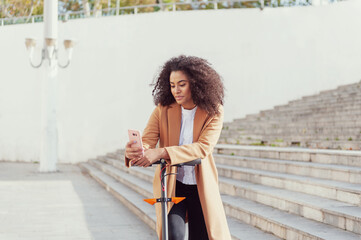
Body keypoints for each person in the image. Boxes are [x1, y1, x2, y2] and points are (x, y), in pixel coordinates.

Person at [124, 55, 231, 240]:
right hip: (173, 185)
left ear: (196, 83)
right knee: (172, 235)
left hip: (201, 186)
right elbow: (148, 139)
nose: (176, 90)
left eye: (182, 84)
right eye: (172, 85)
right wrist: (137, 149)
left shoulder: (214, 110)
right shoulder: (162, 109)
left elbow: (203, 148)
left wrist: (162, 152)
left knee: (202, 236)